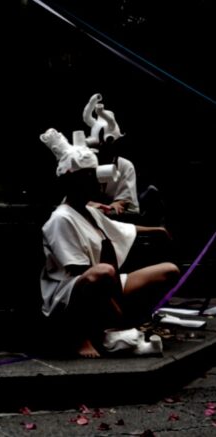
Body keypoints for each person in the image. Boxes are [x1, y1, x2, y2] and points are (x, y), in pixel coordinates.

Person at [38, 128, 179, 358]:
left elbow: (121, 228)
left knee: (169, 270)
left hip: (107, 284)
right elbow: (82, 272)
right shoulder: (61, 218)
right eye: (87, 178)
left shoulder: (90, 211)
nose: (94, 183)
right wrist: (118, 315)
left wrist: (157, 230)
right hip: (72, 292)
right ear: (72, 182)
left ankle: (117, 327)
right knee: (102, 272)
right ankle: (81, 336)